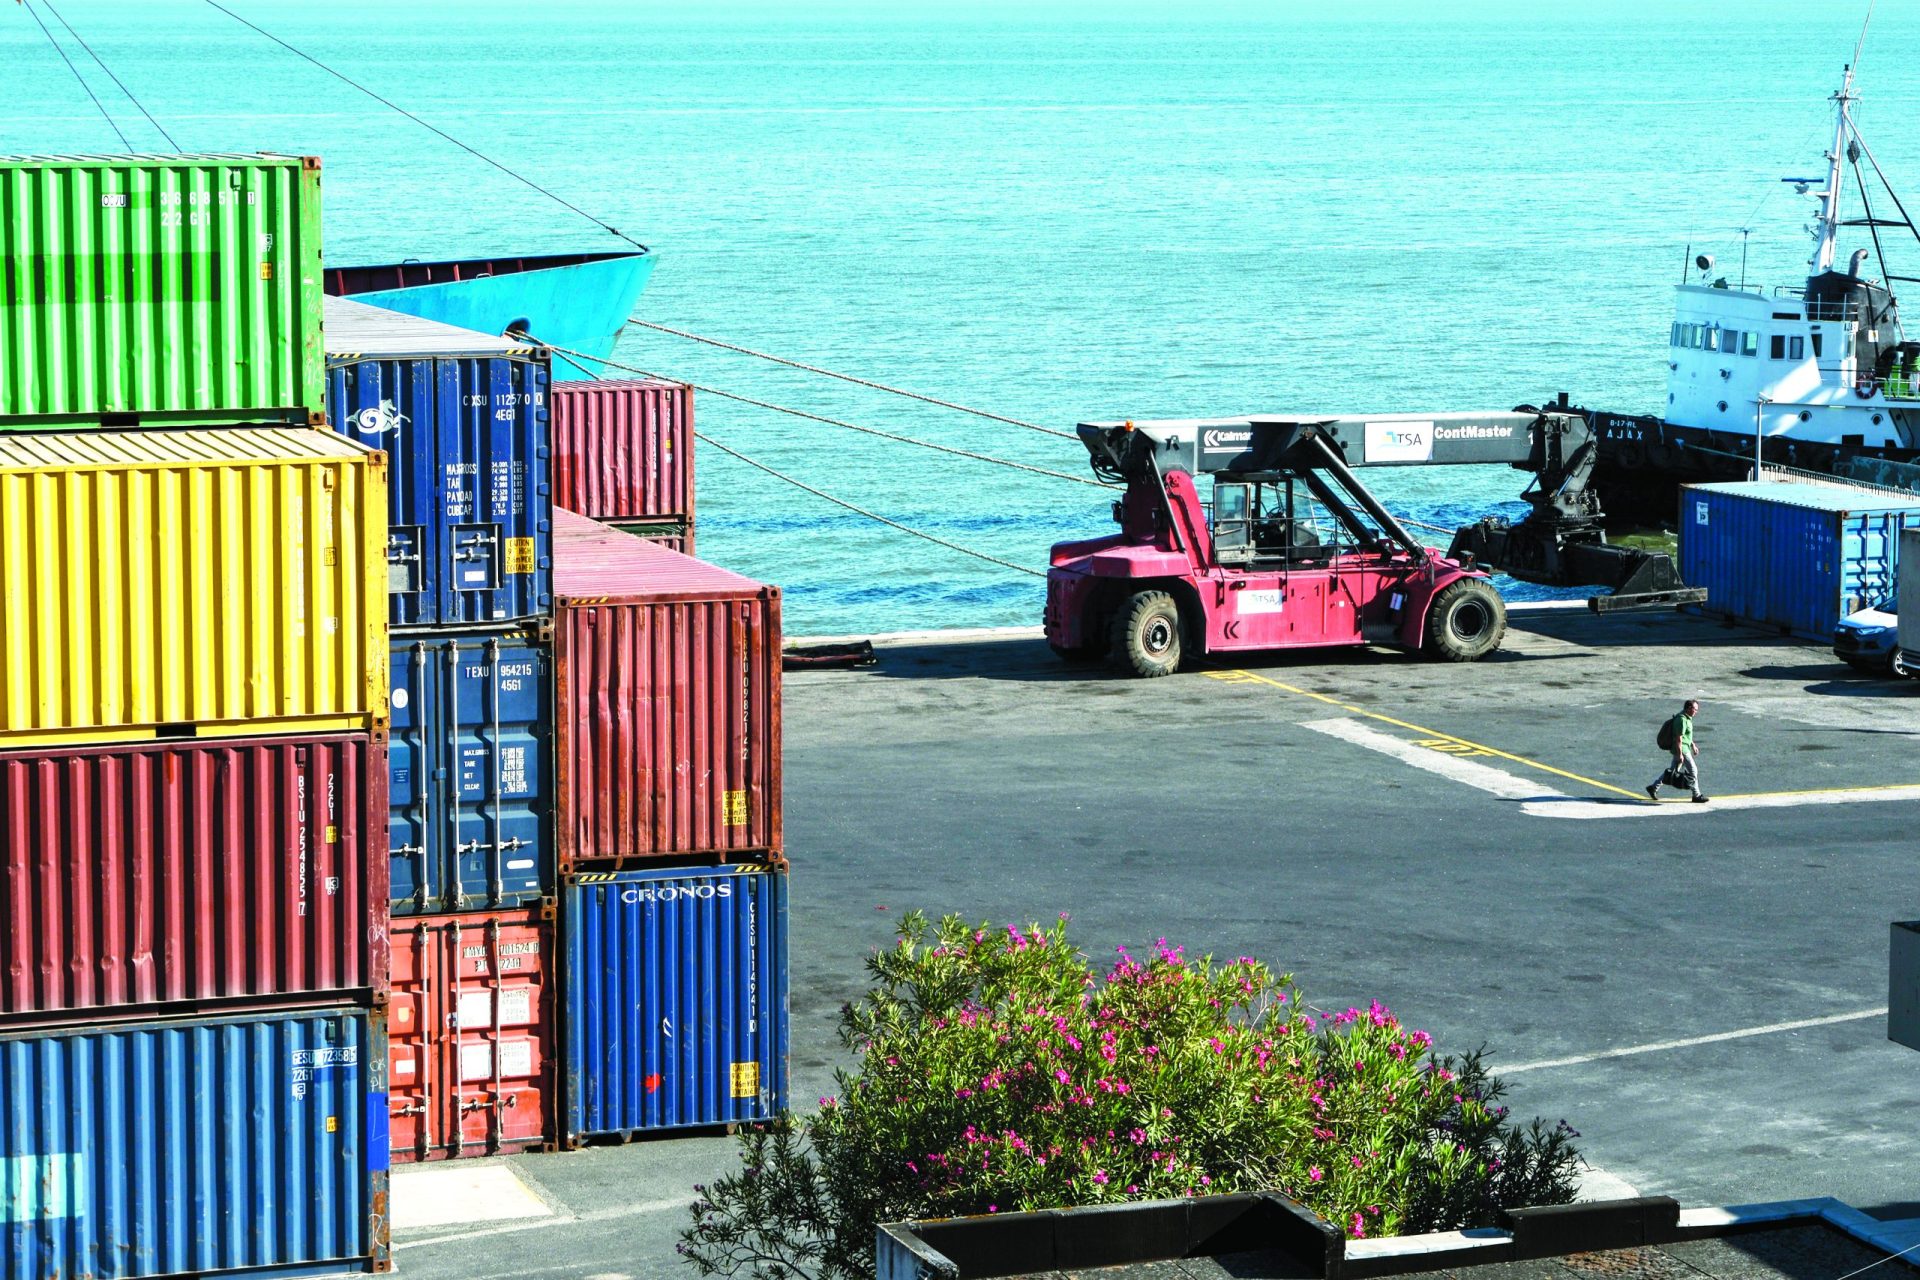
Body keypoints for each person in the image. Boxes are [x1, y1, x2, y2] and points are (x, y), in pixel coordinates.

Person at [1647, 699, 1708, 803]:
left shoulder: (1687, 718)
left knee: (1672, 771)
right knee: (1693, 771)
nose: (1696, 712)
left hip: (1683, 748)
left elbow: (1686, 735)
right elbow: (1679, 738)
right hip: (1682, 750)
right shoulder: (1681, 720)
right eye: (1695, 709)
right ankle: (1696, 795)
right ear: (1689, 708)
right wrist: (1680, 754)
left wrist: (1693, 745)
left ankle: (1653, 787)